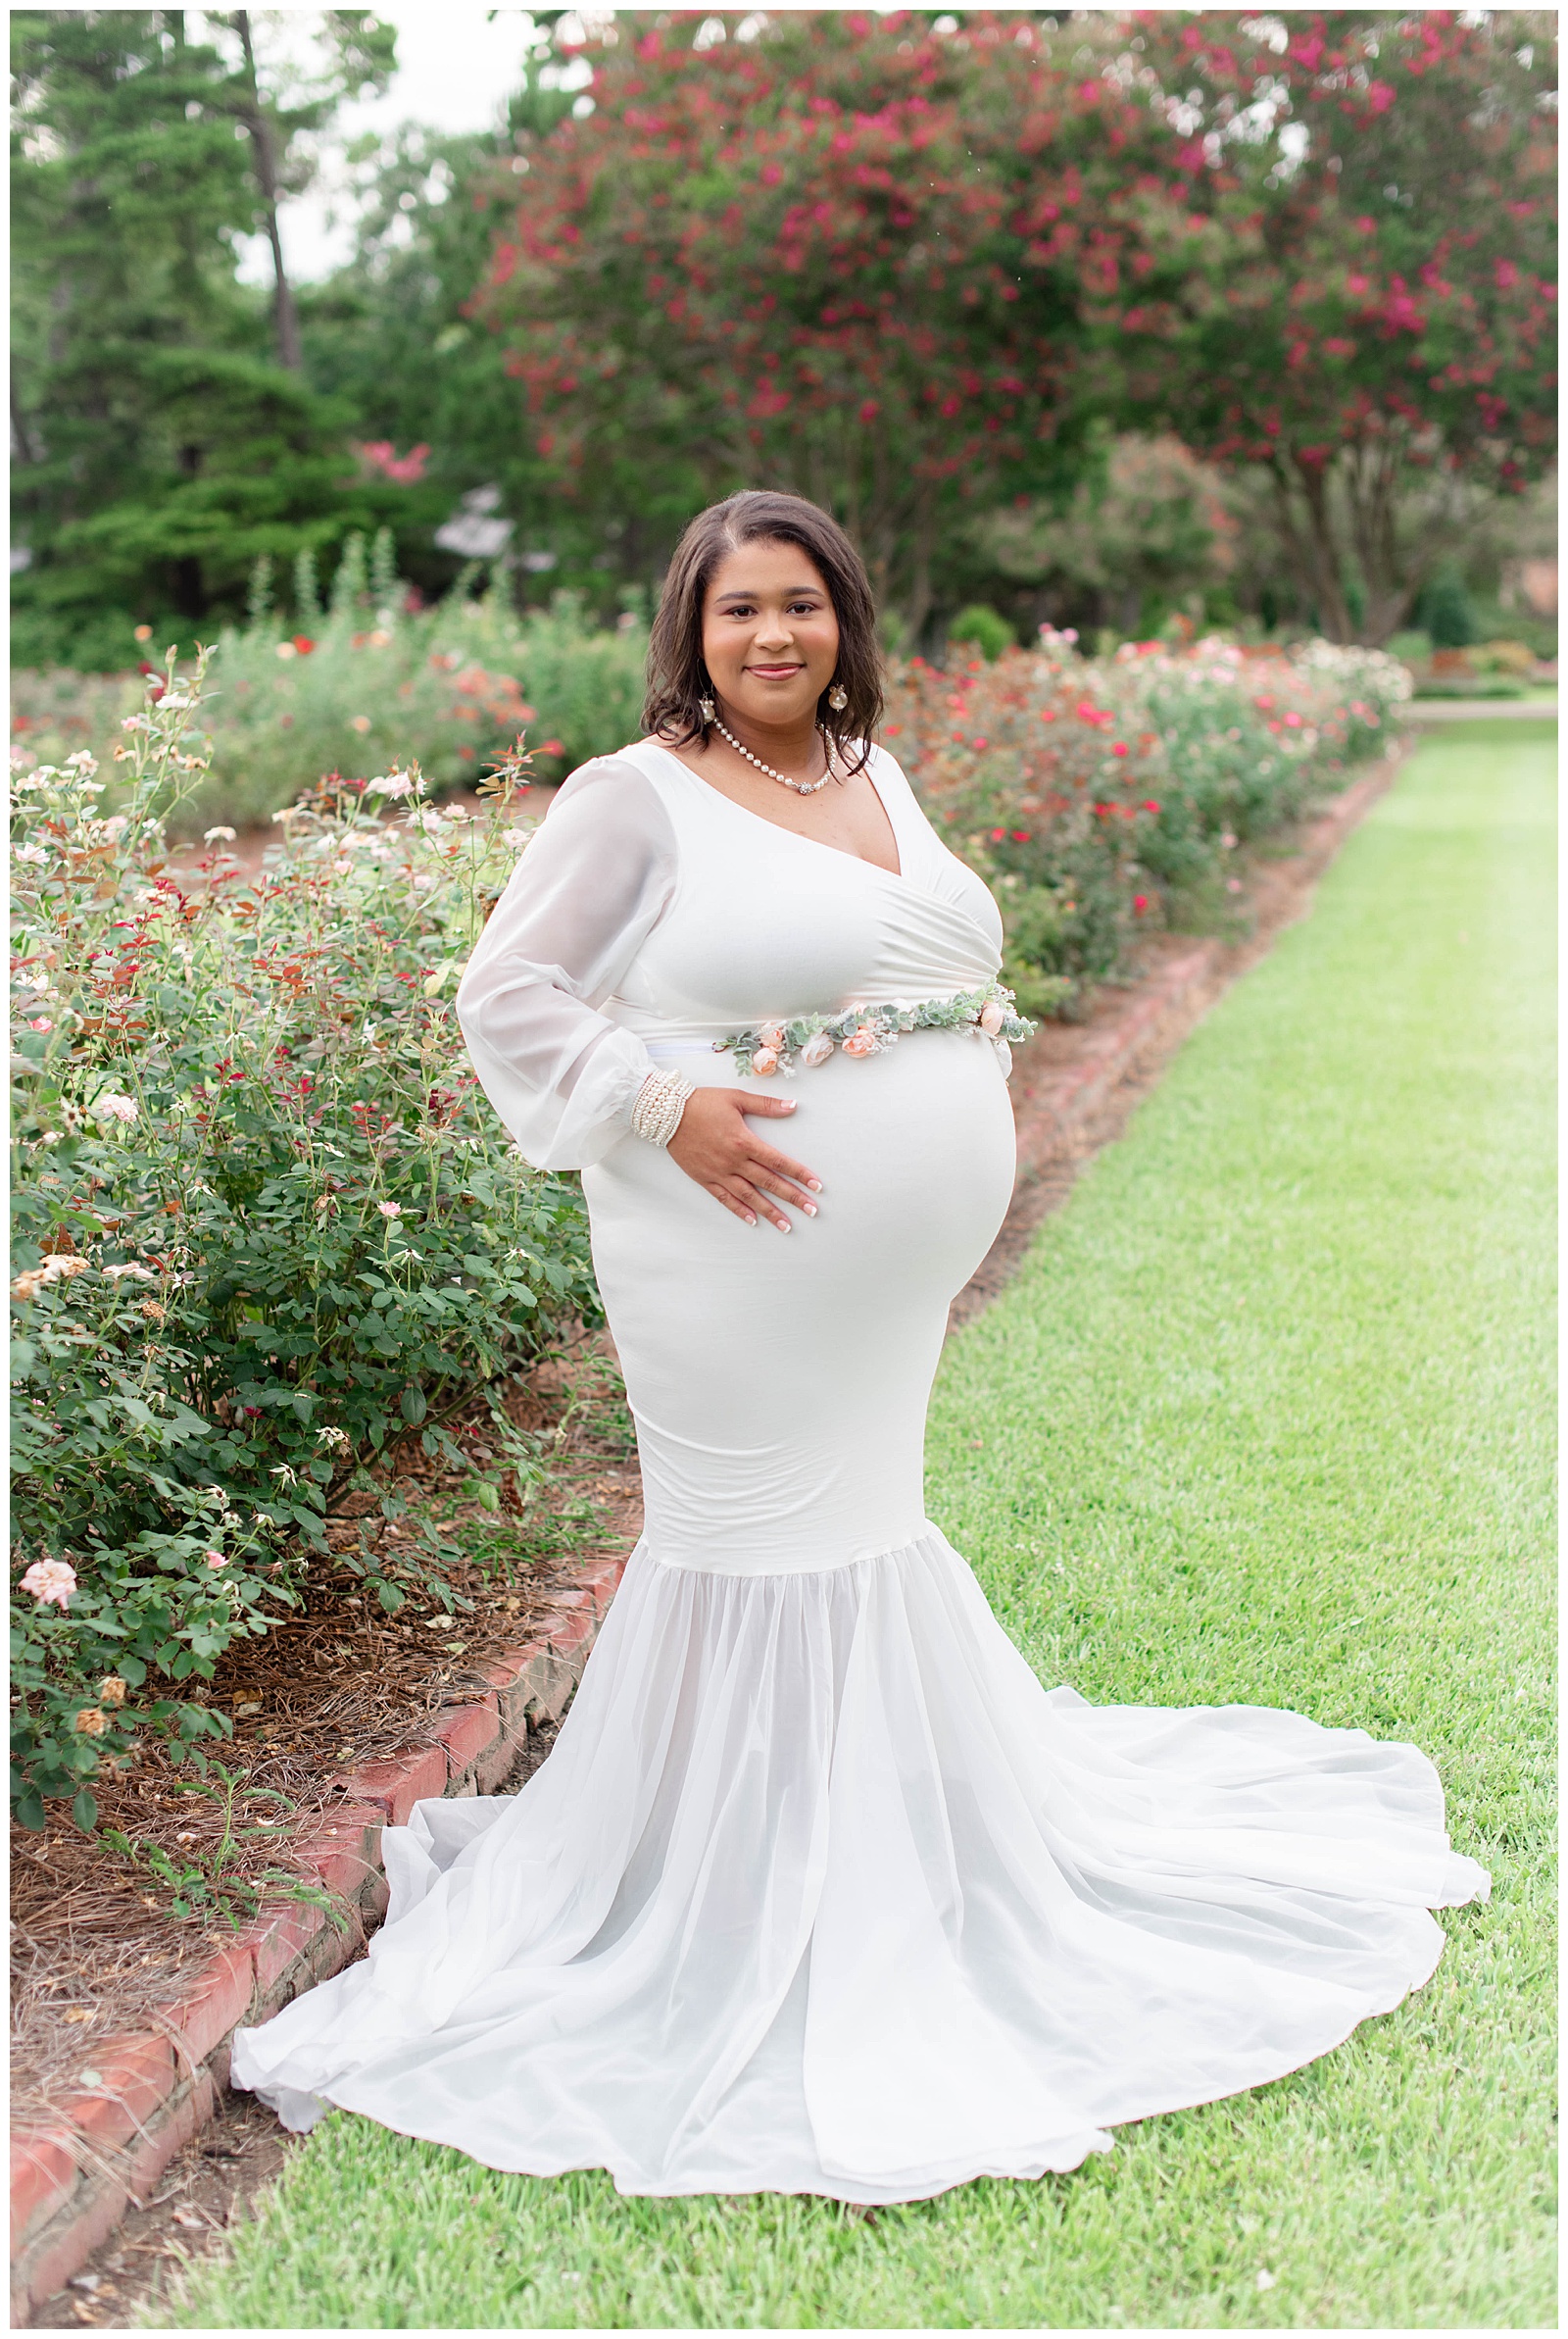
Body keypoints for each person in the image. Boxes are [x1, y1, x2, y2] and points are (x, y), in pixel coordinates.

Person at [230, 490, 1488, 2204]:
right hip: (722, 1245)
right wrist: (663, 1104)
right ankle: (729, 1888)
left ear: (845, 622)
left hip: (874, 1286)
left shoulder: (865, 768)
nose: (773, 636)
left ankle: (884, 1848)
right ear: (690, 626)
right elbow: (509, 993)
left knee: (860, 1528)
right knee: (754, 1538)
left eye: (802, 605)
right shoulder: (633, 797)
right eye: (740, 609)